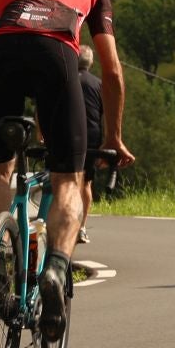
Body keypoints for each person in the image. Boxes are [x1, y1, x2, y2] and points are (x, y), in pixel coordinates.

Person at [0, 0, 135, 342]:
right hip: (57, 55)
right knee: (68, 178)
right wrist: (114, 137)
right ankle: (57, 270)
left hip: (3, 58)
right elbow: (112, 70)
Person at [76, 44, 104, 244]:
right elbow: (105, 114)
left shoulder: (65, 79)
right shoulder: (98, 84)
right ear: (91, 63)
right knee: (86, 182)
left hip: (66, 132)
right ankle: (82, 227)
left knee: (64, 180)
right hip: (92, 136)